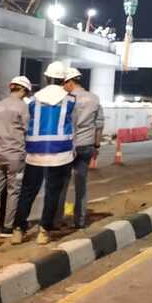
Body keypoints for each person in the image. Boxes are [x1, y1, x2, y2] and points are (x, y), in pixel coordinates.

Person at [13, 61, 75, 246]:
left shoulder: (32, 100)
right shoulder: (70, 100)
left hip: (35, 152)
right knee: (52, 194)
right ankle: (44, 231)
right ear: (64, 79)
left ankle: (18, 230)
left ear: (47, 78)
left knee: (27, 192)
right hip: (60, 153)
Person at [54, 67, 104, 230]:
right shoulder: (94, 98)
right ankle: (80, 220)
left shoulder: (66, 99)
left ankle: (56, 219)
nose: (63, 87)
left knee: (61, 183)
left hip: (67, 146)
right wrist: (97, 145)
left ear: (70, 82)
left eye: (64, 83)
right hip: (86, 145)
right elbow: (99, 124)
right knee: (81, 184)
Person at [0, 76, 31, 238]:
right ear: (23, 90)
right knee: (14, 190)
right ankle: (7, 226)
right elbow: (28, 130)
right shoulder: (22, 107)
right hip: (15, 155)